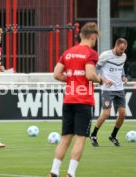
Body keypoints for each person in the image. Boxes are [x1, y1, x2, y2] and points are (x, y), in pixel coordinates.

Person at [47, 22, 111, 177]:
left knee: (65, 138)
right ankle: (71, 173)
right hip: (83, 101)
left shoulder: (68, 52)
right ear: (94, 36)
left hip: (68, 100)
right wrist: (101, 80)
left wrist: (71, 80)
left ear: (81, 35)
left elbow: (56, 74)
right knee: (80, 138)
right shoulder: (91, 53)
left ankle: (54, 172)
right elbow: (90, 74)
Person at [90, 38, 128, 147]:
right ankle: (93, 134)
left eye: (124, 50)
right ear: (115, 46)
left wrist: (123, 76)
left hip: (119, 89)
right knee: (106, 113)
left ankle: (113, 136)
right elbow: (96, 69)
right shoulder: (105, 55)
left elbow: (121, 67)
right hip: (107, 89)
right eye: (121, 49)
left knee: (122, 114)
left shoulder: (123, 56)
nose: (122, 52)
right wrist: (104, 80)